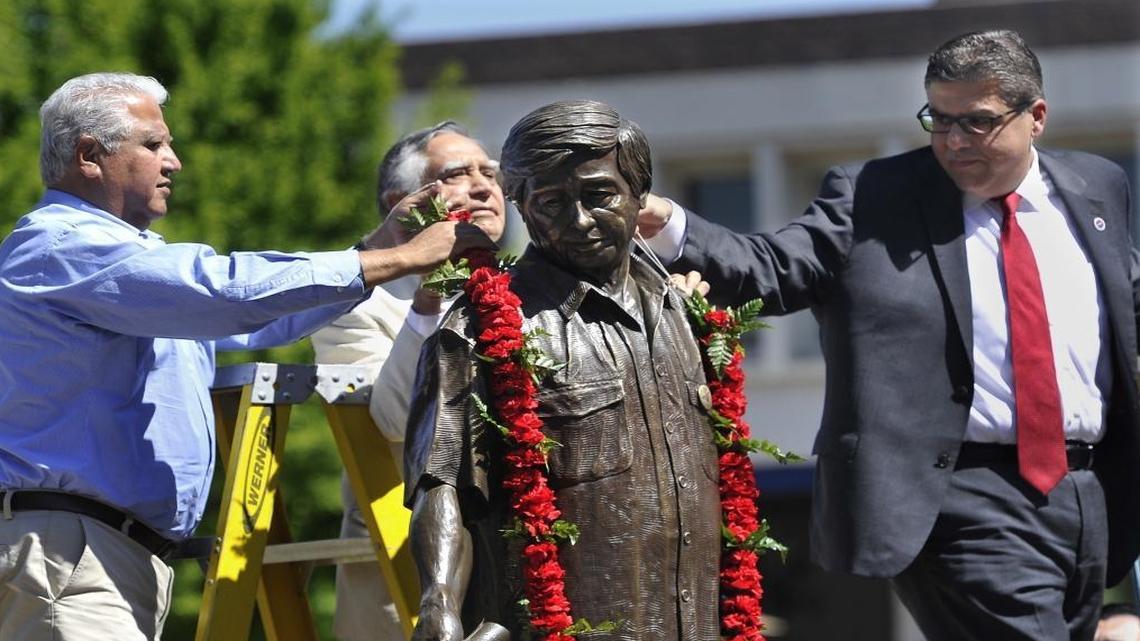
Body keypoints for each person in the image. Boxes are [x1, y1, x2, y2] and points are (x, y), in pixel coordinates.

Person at [638, 29, 1140, 641]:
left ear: (1035, 117)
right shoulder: (873, 195)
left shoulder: (1097, 186)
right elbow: (772, 267)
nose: (953, 142)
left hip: (1088, 491)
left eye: (977, 123)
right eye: (939, 119)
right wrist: (669, 224)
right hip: (959, 493)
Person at [0, 72, 493, 640]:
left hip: (99, 553)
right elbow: (227, 291)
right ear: (90, 155)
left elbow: (263, 317)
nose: (174, 162)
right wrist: (403, 258)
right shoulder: (64, 247)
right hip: (73, 555)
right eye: (154, 143)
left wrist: (378, 248)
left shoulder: (113, 267)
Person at [403, 100, 722, 640]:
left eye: (599, 195)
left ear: (638, 194)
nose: (578, 220)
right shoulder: (482, 325)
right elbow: (443, 485)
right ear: (523, 208)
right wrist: (439, 606)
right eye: (552, 202)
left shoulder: (684, 314)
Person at [310, 120, 507, 641]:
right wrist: (428, 305)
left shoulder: (535, 292)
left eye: (491, 173)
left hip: (521, 571)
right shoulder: (354, 304)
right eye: (458, 174)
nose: (485, 186)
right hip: (405, 580)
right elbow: (397, 423)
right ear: (405, 200)